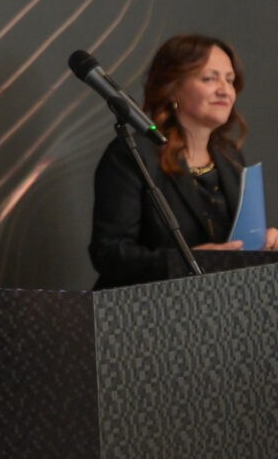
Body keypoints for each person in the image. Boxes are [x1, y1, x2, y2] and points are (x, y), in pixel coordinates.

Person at [88, 33, 278, 288]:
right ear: (173, 87)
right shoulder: (133, 154)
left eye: (230, 80)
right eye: (209, 78)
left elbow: (234, 246)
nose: (225, 90)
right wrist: (187, 263)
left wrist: (263, 244)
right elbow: (109, 254)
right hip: (149, 306)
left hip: (219, 303)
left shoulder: (230, 157)